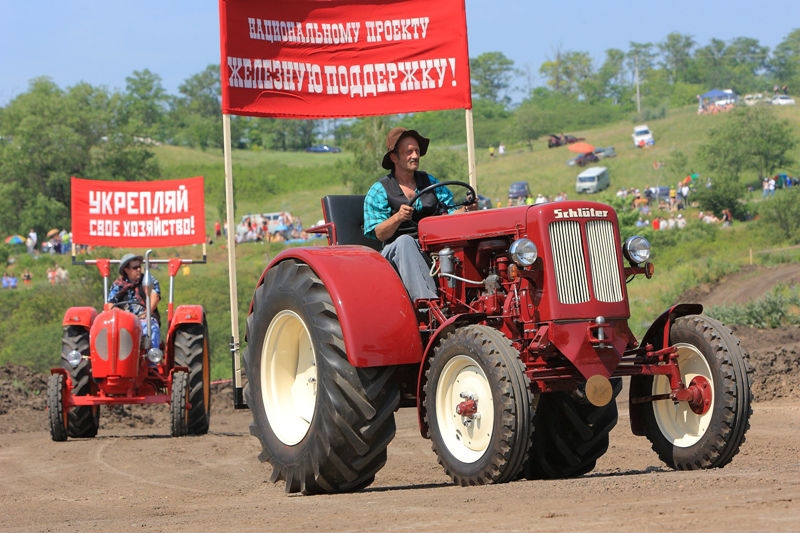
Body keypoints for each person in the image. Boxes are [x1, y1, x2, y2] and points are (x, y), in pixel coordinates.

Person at [363, 127, 473, 302]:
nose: (415, 156)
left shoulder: (431, 182)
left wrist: (467, 210)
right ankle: (427, 305)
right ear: (394, 157)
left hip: (431, 249)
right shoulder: (380, 190)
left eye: (417, 151)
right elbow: (379, 233)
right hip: (394, 254)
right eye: (408, 152)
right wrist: (398, 217)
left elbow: (452, 213)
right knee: (405, 241)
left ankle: (472, 297)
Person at [107, 253, 162, 352]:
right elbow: (110, 305)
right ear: (126, 269)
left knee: (150, 327)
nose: (138, 269)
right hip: (124, 321)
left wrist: (147, 312)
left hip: (144, 318)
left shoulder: (148, 281)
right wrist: (125, 316)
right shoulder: (118, 285)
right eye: (135, 267)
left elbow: (155, 296)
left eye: (139, 266)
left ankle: (152, 360)